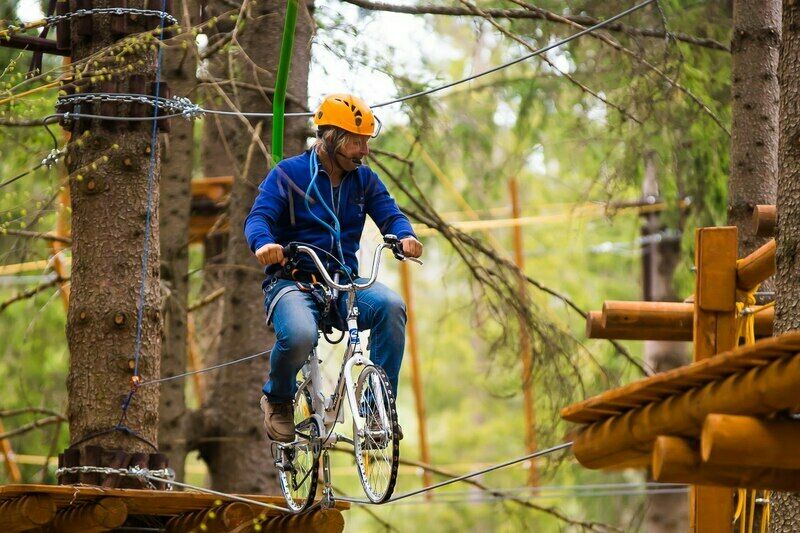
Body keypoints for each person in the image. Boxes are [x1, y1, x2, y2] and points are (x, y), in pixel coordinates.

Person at [245, 94, 423, 443]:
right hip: (292, 282)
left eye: (366, 142)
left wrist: (404, 236)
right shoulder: (289, 174)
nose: (363, 150)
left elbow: (391, 215)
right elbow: (259, 217)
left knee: (390, 307)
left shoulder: (365, 181)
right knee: (299, 335)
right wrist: (264, 244)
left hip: (343, 283)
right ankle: (278, 399)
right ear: (330, 137)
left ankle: (377, 409)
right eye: (356, 142)